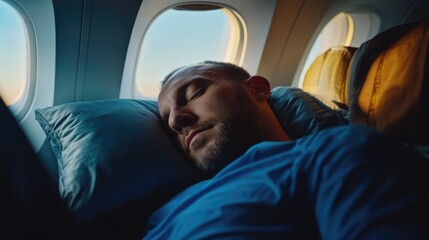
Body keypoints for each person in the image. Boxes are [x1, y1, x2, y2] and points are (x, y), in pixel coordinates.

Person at [144, 61, 429, 239]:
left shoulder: (333, 152)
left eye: (194, 93)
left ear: (258, 89)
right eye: (169, 127)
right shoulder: (162, 210)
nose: (175, 121)